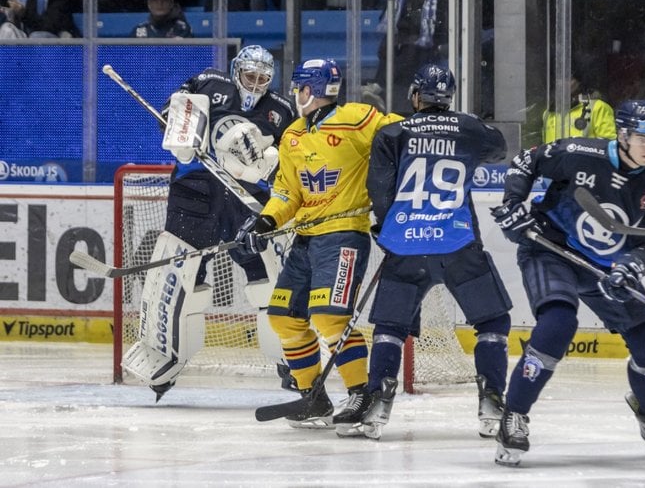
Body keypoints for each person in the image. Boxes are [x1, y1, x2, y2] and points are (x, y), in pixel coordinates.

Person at [491, 99, 645, 466]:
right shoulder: (578, 152)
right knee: (558, 323)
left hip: (604, 268)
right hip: (550, 249)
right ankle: (514, 414)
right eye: (642, 138)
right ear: (623, 134)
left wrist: (630, 267)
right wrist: (512, 205)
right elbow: (527, 162)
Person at [331, 63, 512, 440]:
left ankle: (379, 400)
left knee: (390, 328)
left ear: (415, 95)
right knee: (492, 321)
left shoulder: (392, 131)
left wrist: (388, 226)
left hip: (405, 246)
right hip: (458, 243)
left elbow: (379, 190)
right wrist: (466, 129)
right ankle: (492, 400)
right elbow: (499, 150)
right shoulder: (469, 127)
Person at [234, 58, 402, 431]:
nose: (295, 94)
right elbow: (287, 193)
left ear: (310, 89)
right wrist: (265, 220)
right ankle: (315, 398)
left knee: (330, 316)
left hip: (344, 234)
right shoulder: (293, 134)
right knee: (283, 317)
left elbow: (404, 134)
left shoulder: (358, 119)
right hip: (306, 238)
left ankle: (362, 394)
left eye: (298, 88)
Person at [121, 45, 296, 401]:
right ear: (236, 71)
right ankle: (163, 357)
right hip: (195, 193)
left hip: (248, 206)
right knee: (177, 276)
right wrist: (178, 125)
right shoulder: (210, 83)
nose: (256, 84)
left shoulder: (281, 110)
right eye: (250, 76)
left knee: (271, 279)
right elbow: (174, 110)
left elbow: (291, 160)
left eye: (263, 78)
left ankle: (291, 357)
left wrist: (270, 166)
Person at [361, 0, 448, 115]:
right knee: (390, 46)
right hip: (406, 40)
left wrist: (409, 39)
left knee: (410, 52)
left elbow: (442, 26)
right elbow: (387, 18)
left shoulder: (441, 0)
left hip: (430, 43)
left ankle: (380, 90)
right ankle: (381, 92)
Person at [542, 70, 616, 143]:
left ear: (579, 82)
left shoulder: (597, 107)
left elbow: (609, 145)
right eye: (558, 79)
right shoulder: (548, 113)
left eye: (568, 79)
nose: (562, 83)